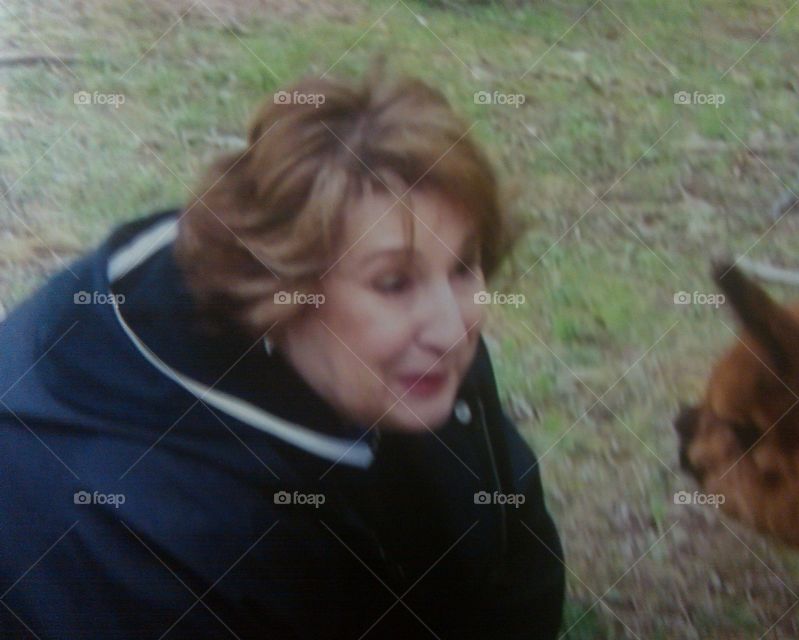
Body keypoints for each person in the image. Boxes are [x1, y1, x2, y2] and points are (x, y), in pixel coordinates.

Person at [0, 67, 565, 639]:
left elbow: (515, 567)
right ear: (281, 286)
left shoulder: (404, 358)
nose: (452, 325)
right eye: (394, 282)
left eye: (463, 265)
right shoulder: (148, 545)